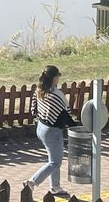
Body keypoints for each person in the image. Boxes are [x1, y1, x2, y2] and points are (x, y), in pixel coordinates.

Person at [24, 66, 75, 197]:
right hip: (52, 132)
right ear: (54, 78)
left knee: (53, 159)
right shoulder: (57, 95)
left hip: (41, 127)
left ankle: (55, 187)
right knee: (55, 162)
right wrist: (76, 128)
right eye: (58, 75)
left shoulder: (39, 90)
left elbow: (34, 109)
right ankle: (32, 182)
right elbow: (66, 116)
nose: (59, 78)